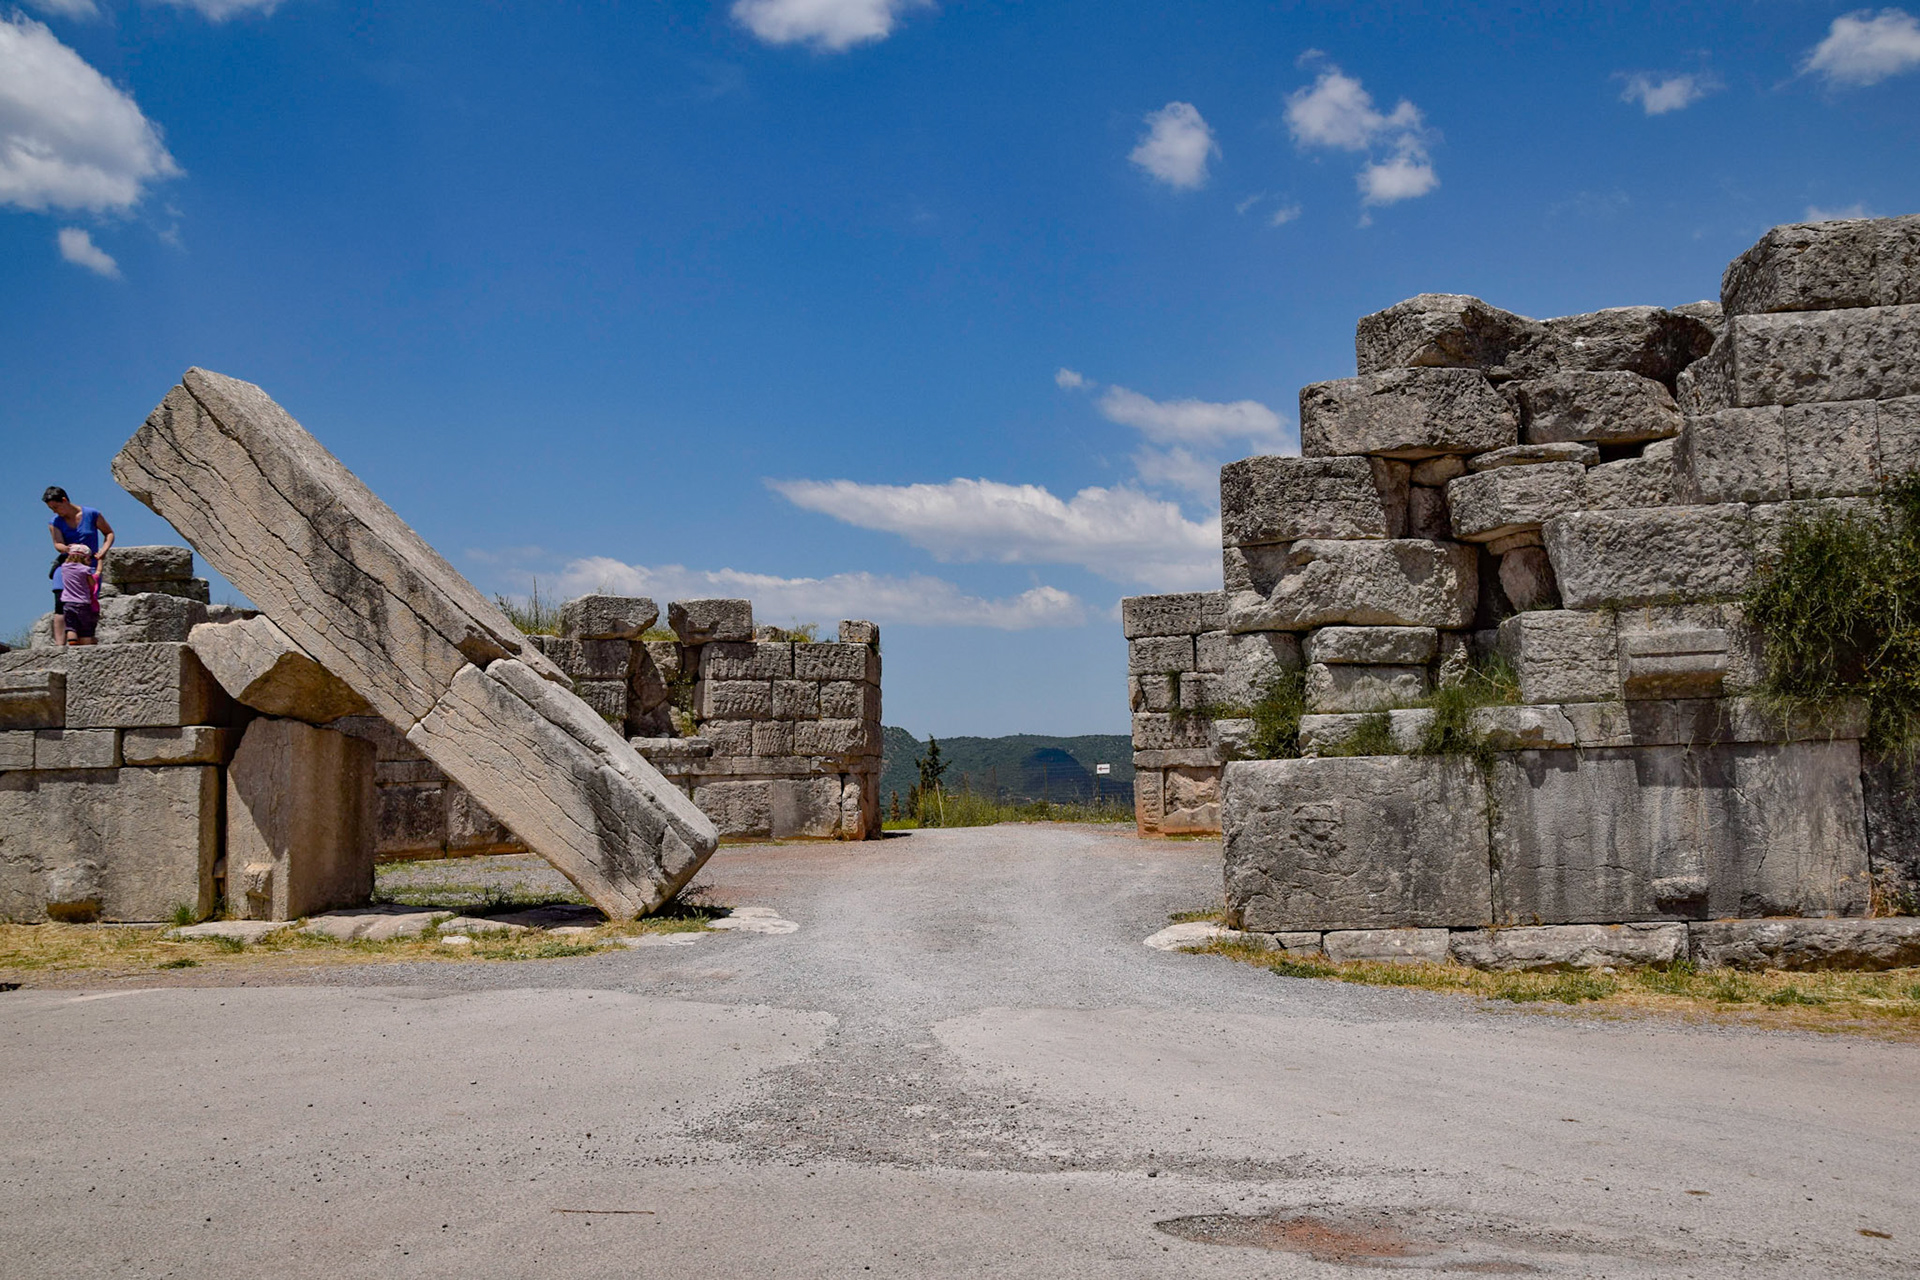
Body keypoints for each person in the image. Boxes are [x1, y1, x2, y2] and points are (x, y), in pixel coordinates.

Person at [44, 486, 113, 646]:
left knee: (88, 605)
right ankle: (60, 646)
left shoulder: (91, 514)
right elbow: (58, 543)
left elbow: (109, 533)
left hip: (90, 566)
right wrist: (69, 549)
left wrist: (102, 551)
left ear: (64, 500)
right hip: (68, 566)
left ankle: (85, 642)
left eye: (56, 507)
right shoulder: (54, 522)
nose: (55, 511)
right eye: (51, 509)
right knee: (61, 602)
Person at [56, 544, 100, 646]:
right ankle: (85, 649)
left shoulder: (64, 567)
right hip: (82, 602)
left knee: (71, 627)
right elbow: (92, 583)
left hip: (67, 602)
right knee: (85, 629)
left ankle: (72, 645)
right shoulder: (84, 569)